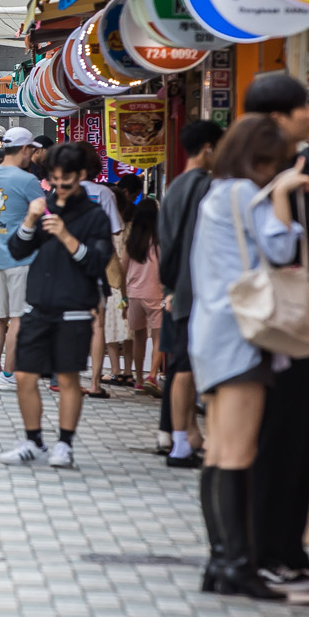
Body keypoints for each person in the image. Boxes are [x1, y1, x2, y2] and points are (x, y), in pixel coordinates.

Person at [188, 116, 309, 600]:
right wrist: (284, 196)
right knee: (238, 452)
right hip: (242, 334)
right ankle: (238, 564)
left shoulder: (216, 193)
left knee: (219, 451)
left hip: (212, 333)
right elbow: (280, 248)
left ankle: (221, 561)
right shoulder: (245, 194)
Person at [242, 72, 309, 591]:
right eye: (303, 105)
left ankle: (292, 549)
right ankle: (268, 550)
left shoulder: (297, 169)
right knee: (277, 441)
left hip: (303, 324)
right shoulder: (263, 180)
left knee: (299, 440)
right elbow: (278, 253)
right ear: (279, 117)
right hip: (275, 331)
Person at [0, 142, 113, 470]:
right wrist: (30, 221)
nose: (59, 186)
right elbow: (17, 250)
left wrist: (66, 237)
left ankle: (65, 443)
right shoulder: (43, 206)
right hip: (37, 307)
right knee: (23, 376)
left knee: (67, 378)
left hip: (74, 309)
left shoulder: (94, 216)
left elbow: (96, 263)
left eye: (67, 180)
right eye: (55, 179)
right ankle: (33, 440)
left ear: (82, 176)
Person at [159, 120, 223, 465]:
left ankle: (185, 436)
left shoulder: (174, 186)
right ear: (209, 148)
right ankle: (181, 443)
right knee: (186, 367)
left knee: (180, 365)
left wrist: (168, 286)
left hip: (177, 288)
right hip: (197, 288)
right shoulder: (206, 187)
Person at [0, 128, 43, 391]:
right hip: (21, 258)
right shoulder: (28, 181)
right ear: (25, 149)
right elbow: (44, 213)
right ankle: (8, 373)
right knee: (17, 317)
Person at [80, 167, 128, 398]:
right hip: (96, 267)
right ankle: (95, 383)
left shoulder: (57, 196)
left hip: (66, 269)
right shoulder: (103, 194)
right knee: (97, 324)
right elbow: (117, 229)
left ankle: (62, 376)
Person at [124, 198, 166, 403]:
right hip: (155, 293)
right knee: (159, 337)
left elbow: (123, 269)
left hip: (134, 293)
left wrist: (123, 296)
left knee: (138, 338)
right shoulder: (160, 240)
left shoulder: (132, 241)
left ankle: (139, 380)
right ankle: (153, 376)